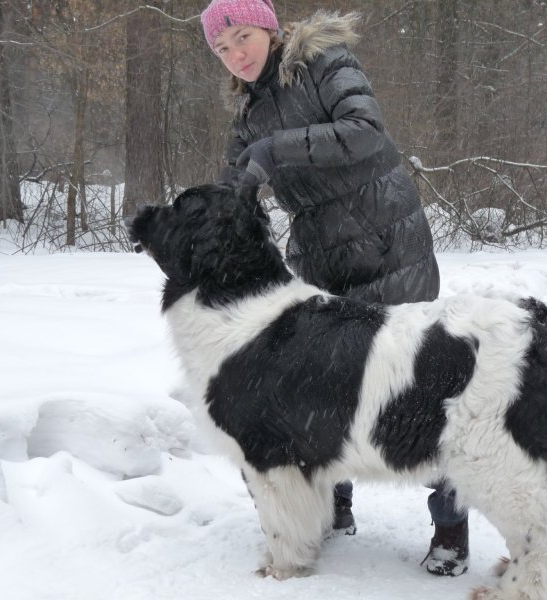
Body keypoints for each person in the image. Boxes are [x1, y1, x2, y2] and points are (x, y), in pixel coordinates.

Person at [201, 0, 469, 576]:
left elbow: (366, 132)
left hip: (389, 248)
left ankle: (450, 526)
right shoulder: (247, 114)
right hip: (322, 264)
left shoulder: (323, 61)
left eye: (242, 37)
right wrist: (190, 231)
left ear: (268, 29)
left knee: (421, 385)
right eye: (222, 49)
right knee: (325, 389)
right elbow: (231, 190)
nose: (236, 55)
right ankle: (334, 508)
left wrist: (276, 150)